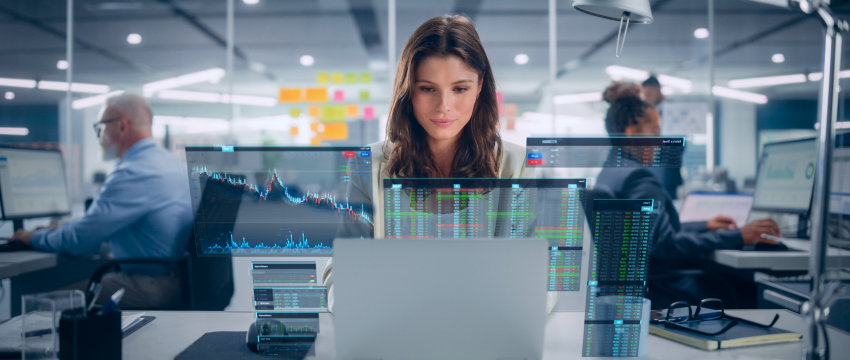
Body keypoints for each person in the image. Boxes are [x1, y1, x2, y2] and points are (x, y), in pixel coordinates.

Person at [326, 14, 555, 310]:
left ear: (480, 87)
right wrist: (354, 307)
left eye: (460, 89)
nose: (444, 106)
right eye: (427, 88)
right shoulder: (368, 165)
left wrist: (519, 308)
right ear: (409, 91)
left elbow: (541, 275)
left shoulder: (518, 165)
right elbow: (342, 270)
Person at [595, 81, 781, 308]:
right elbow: (665, 244)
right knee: (748, 288)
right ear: (633, 133)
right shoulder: (639, 178)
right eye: (654, 131)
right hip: (663, 286)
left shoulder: (611, 172)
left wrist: (705, 225)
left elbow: (652, 234)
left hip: (641, 283)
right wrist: (739, 236)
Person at [10, 94, 193, 309]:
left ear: (122, 126)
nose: (99, 136)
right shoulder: (172, 164)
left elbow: (78, 241)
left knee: (42, 307)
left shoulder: (132, 174)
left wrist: (33, 237)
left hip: (149, 285)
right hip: (177, 278)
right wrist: (61, 230)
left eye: (101, 127)